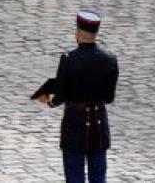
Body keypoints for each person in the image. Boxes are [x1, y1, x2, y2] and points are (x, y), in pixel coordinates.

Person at [32, 11, 119, 183]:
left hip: (74, 124)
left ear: (78, 32)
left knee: (74, 177)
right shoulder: (110, 59)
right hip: (98, 125)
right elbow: (109, 98)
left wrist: (48, 100)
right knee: (98, 177)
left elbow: (59, 97)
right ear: (96, 33)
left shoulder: (68, 60)